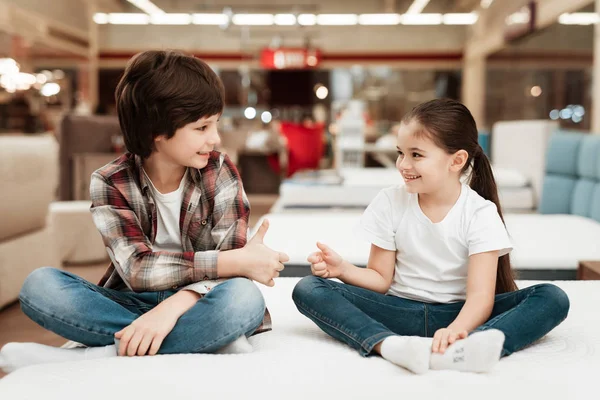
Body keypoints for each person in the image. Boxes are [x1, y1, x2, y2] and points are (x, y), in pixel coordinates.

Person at [0, 50, 289, 373]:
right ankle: (205, 340)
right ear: (156, 130)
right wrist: (231, 262)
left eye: (215, 124)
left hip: (201, 298)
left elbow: (233, 273)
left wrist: (174, 306)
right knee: (40, 286)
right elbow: (137, 269)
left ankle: (100, 355)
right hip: (132, 299)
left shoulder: (219, 171)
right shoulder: (110, 181)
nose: (215, 138)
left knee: (241, 300)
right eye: (202, 127)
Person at [292, 98, 569, 374]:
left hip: (461, 313)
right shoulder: (389, 201)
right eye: (401, 153)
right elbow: (380, 279)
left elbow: (480, 298)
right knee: (308, 288)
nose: (402, 164)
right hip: (398, 311)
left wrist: (456, 331)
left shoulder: (480, 212)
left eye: (416, 155)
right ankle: (386, 344)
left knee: (552, 297)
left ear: (457, 160)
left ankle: (467, 347)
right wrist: (343, 269)